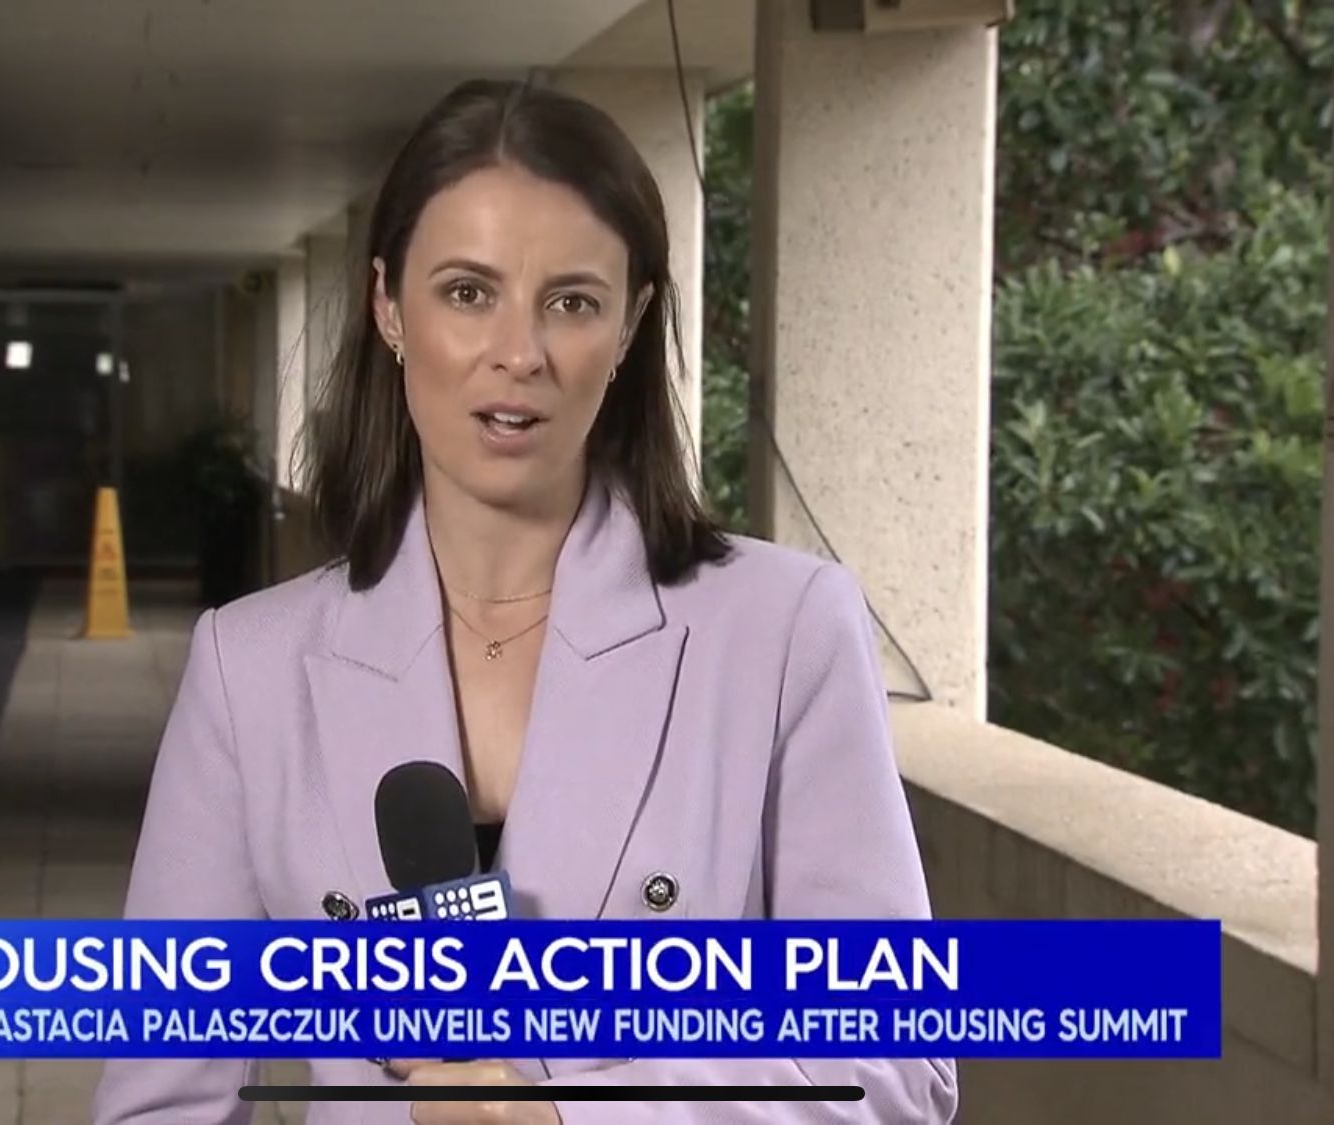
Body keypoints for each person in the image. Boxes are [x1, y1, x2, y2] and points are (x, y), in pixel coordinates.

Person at [94, 78, 956, 1125]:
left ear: (631, 323)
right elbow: (162, 1095)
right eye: (468, 292)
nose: (520, 353)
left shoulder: (785, 632)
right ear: (388, 307)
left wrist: (564, 1117)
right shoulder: (250, 668)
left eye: (572, 302)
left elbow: (890, 1070)